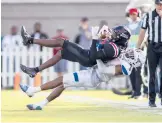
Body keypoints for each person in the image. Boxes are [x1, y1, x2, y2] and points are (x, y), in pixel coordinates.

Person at [19, 48, 145, 110]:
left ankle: (32, 90)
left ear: (135, 61)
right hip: (93, 75)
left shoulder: (125, 68)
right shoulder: (126, 61)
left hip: (92, 77)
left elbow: (103, 70)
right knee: (63, 85)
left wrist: (98, 56)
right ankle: (41, 104)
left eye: (135, 55)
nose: (132, 53)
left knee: (61, 80)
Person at [20, 25, 131, 78]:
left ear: (121, 37)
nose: (113, 34)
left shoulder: (114, 48)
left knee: (61, 41)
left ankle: (29, 40)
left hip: (88, 57)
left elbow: (94, 55)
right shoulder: (119, 45)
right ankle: (35, 70)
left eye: (116, 34)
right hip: (89, 57)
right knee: (61, 53)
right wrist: (101, 38)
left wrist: (94, 38)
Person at [137, 0, 162, 107]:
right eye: (158, 4)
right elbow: (142, 32)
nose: (160, 6)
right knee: (152, 73)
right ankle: (151, 99)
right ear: (155, 4)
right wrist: (137, 47)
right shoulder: (148, 16)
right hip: (152, 46)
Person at [125, 8, 143, 99]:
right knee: (131, 72)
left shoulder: (141, 24)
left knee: (138, 72)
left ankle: (138, 92)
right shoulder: (127, 25)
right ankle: (134, 91)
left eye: (134, 14)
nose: (133, 16)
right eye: (131, 14)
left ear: (138, 14)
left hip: (138, 51)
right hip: (129, 51)